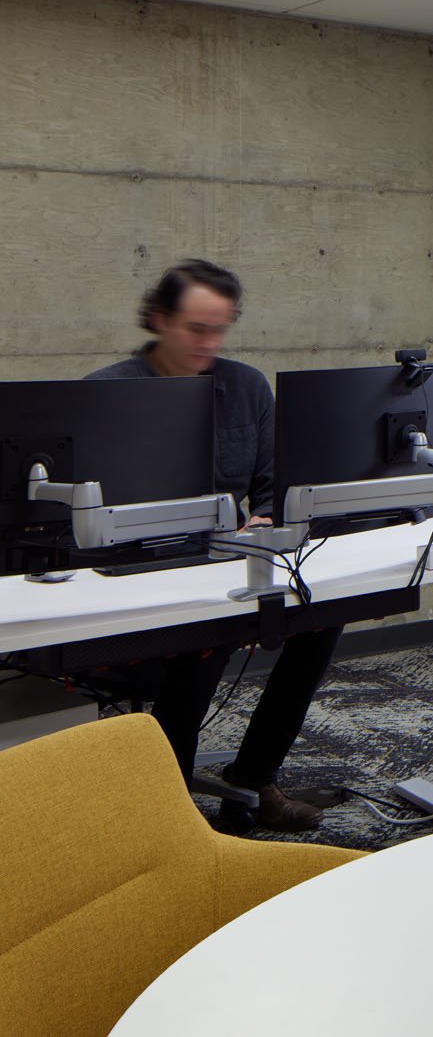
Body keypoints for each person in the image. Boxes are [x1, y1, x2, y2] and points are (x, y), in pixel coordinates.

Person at [86, 259, 336, 832]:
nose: (210, 343)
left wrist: (266, 520)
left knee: (323, 619)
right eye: (197, 329)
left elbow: (275, 485)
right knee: (206, 641)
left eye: (220, 329)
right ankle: (168, 813)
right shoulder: (106, 394)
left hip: (228, 564)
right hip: (140, 577)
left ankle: (252, 778)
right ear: (160, 320)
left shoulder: (245, 386)